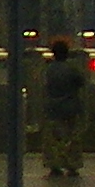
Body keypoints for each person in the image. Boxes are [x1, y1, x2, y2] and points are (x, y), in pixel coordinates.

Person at [38, 38, 89, 178]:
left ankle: (54, 165)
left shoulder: (48, 69)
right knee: (71, 137)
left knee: (53, 138)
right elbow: (81, 82)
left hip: (53, 108)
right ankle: (72, 165)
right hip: (71, 106)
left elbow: (44, 87)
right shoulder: (72, 69)